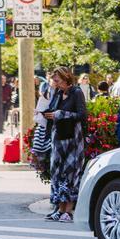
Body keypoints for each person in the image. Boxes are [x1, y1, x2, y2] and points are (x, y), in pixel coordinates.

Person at [42, 67, 86, 223]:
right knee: (58, 173)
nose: (55, 83)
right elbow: (52, 109)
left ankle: (68, 211)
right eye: (54, 80)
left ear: (66, 78)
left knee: (70, 173)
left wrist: (61, 114)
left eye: (57, 80)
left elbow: (82, 114)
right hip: (58, 139)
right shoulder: (58, 93)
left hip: (72, 140)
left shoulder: (77, 93)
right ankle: (60, 210)